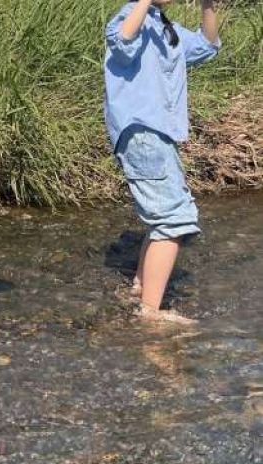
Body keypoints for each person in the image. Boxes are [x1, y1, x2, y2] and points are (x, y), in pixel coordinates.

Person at [104, 0, 220, 324]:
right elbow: (122, 41)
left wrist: (208, 7)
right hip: (143, 132)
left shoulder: (165, 26)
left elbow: (208, 46)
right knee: (174, 220)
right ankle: (150, 314)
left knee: (163, 219)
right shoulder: (131, 16)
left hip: (160, 135)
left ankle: (141, 289)